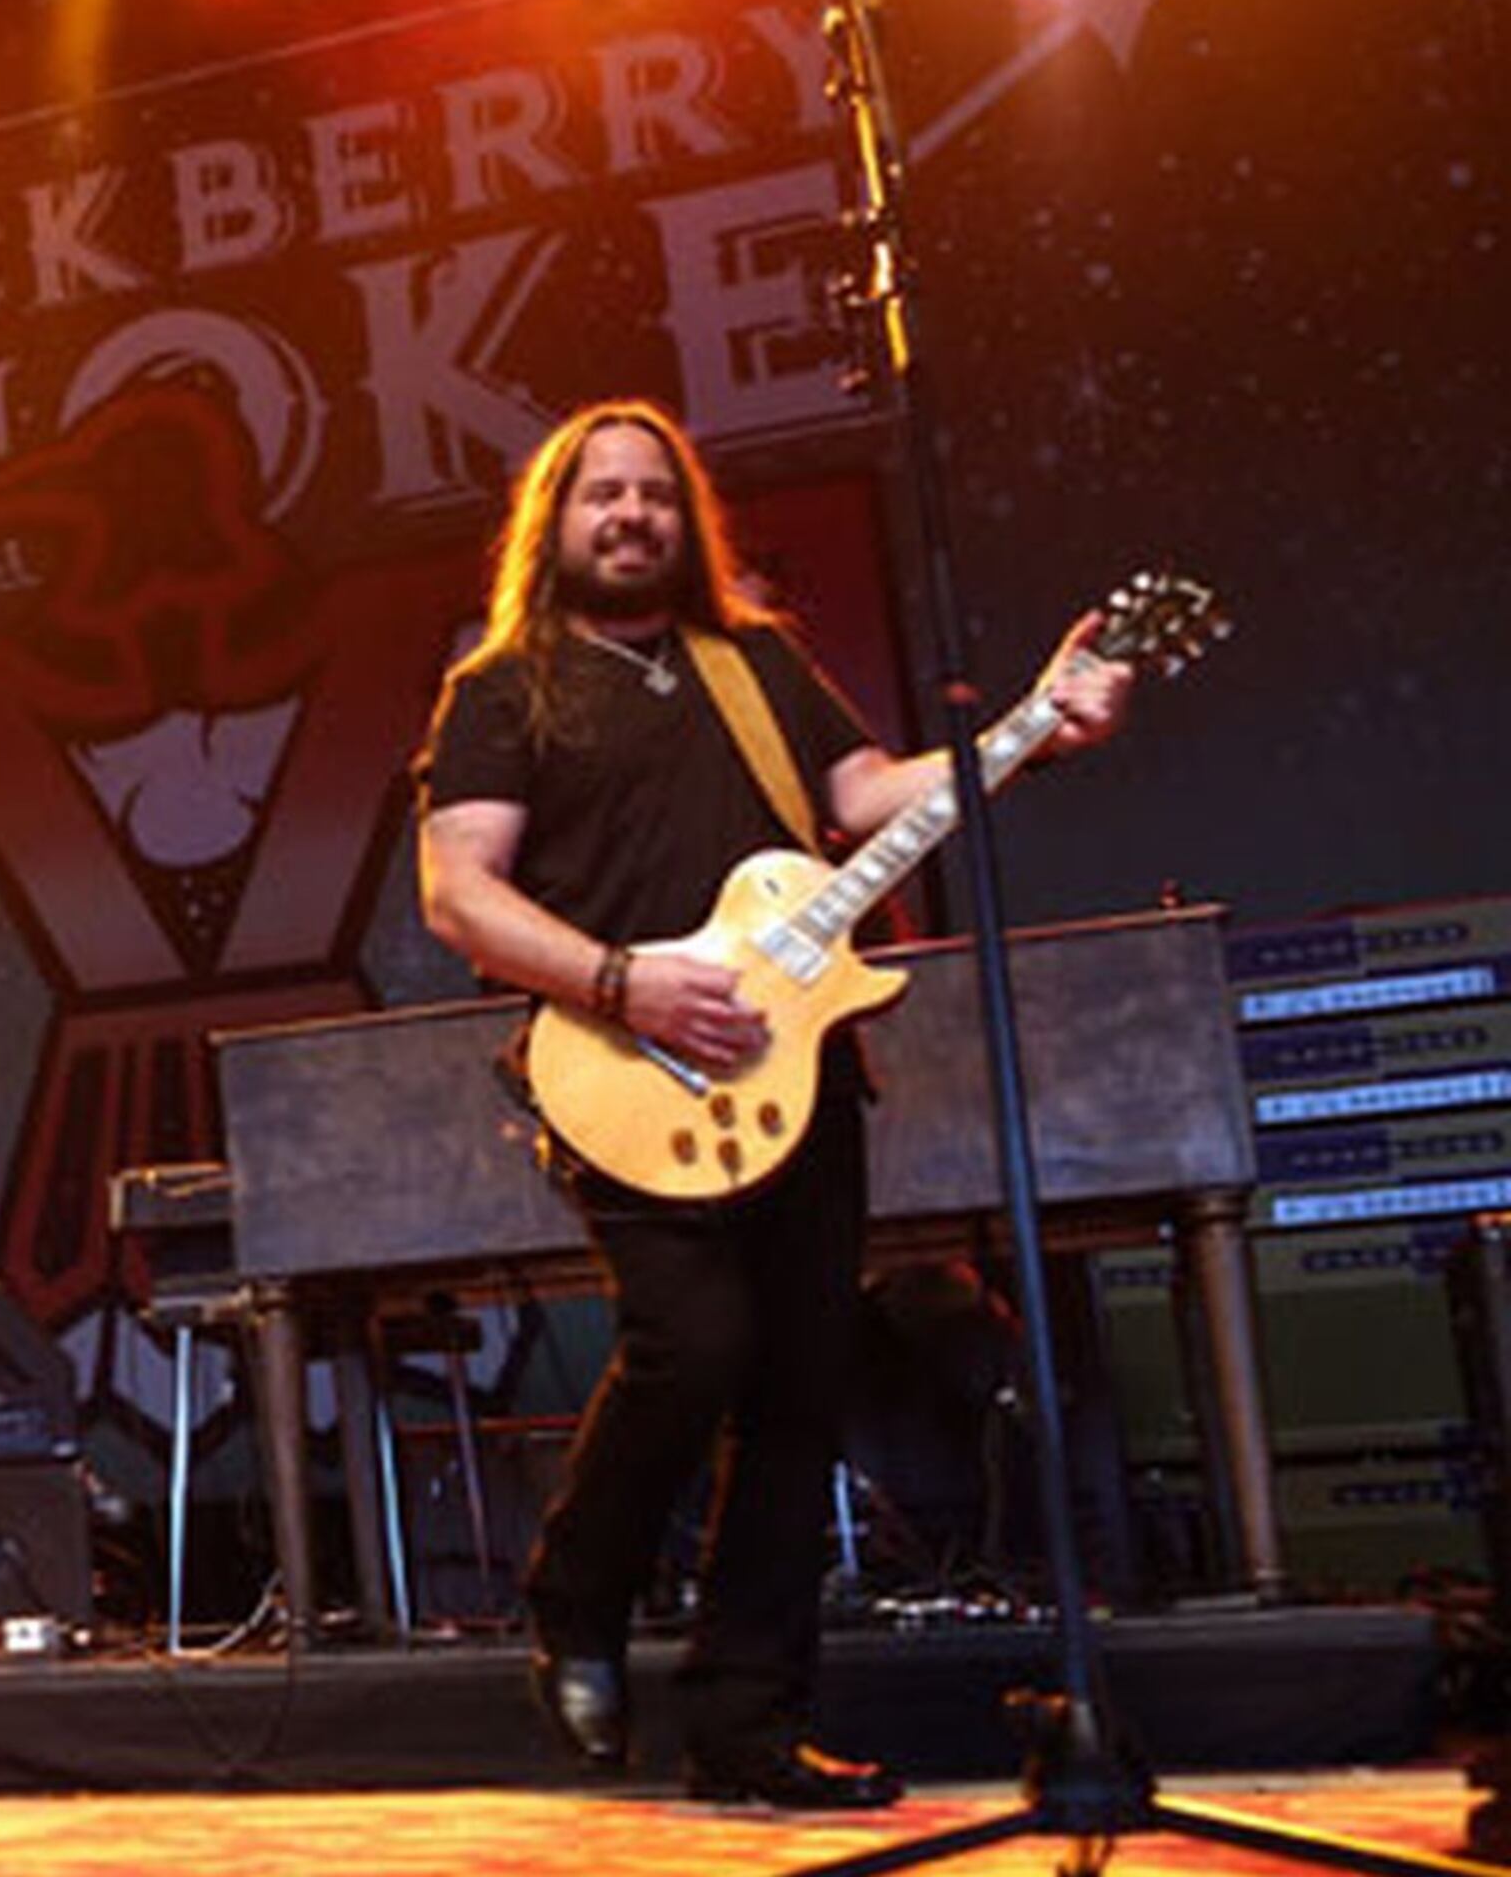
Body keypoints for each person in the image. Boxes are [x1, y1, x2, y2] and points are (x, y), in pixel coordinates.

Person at [413, 399, 1128, 1808]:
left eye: (655, 494)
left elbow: (872, 796)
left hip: (799, 1075)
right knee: (694, 1344)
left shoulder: (754, 665)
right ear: (553, 524)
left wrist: (1036, 728)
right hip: (625, 1068)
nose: (632, 515)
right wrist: (625, 984)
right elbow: (459, 895)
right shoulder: (502, 689)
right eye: (602, 494)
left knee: (800, 1392)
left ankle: (746, 1728)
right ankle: (576, 1590)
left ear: (688, 519)